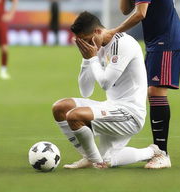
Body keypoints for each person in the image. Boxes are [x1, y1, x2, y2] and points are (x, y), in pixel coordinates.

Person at [97, 0, 180, 169]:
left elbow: (140, 14)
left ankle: (162, 154)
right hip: (156, 42)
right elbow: (125, 9)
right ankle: (158, 151)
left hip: (167, 41)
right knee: (151, 92)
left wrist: (113, 32)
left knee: (156, 92)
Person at [52, 11, 165, 169]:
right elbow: (86, 91)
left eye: (86, 40)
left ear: (98, 31)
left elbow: (105, 83)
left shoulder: (123, 43)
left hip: (130, 114)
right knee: (60, 108)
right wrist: (86, 59)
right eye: (82, 42)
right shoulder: (96, 46)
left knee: (74, 116)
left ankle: (150, 152)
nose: (86, 45)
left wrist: (92, 58)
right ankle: (92, 157)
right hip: (111, 107)